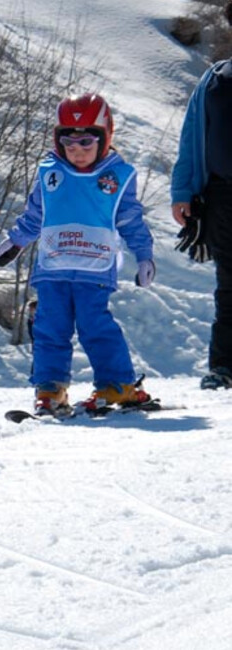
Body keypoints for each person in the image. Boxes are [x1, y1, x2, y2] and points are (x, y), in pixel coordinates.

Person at [0, 93, 155, 415]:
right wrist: (14, 242)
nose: (77, 151)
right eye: (70, 143)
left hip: (95, 268)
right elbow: (35, 215)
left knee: (95, 326)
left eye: (87, 142)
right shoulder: (50, 172)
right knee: (50, 327)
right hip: (53, 266)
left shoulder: (118, 176)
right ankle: (49, 389)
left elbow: (130, 220)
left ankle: (117, 384)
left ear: (105, 137)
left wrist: (144, 255)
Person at [172, 2, 232, 390]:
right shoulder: (216, 80)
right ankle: (224, 366)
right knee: (229, 285)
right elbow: (193, 140)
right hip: (224, 197)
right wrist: (183, 192)